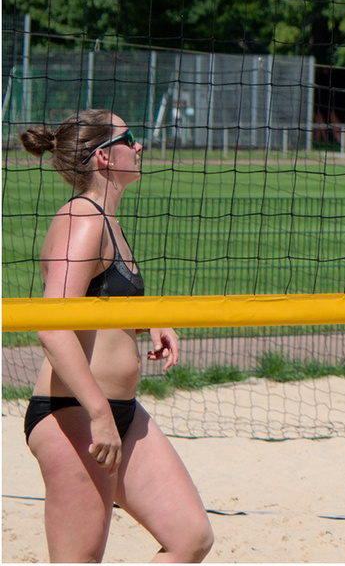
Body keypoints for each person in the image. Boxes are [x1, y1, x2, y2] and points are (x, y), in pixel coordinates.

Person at [18, 110, 214, 563]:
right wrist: (99, 412)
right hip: (75, 415)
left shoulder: (108, 220)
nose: (140, 145)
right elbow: (52, 324)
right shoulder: (81, 220)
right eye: (131, 138)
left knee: (190, 537)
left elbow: (97, 304)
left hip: (117, 411)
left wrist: (146, 319)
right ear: (104, 157)